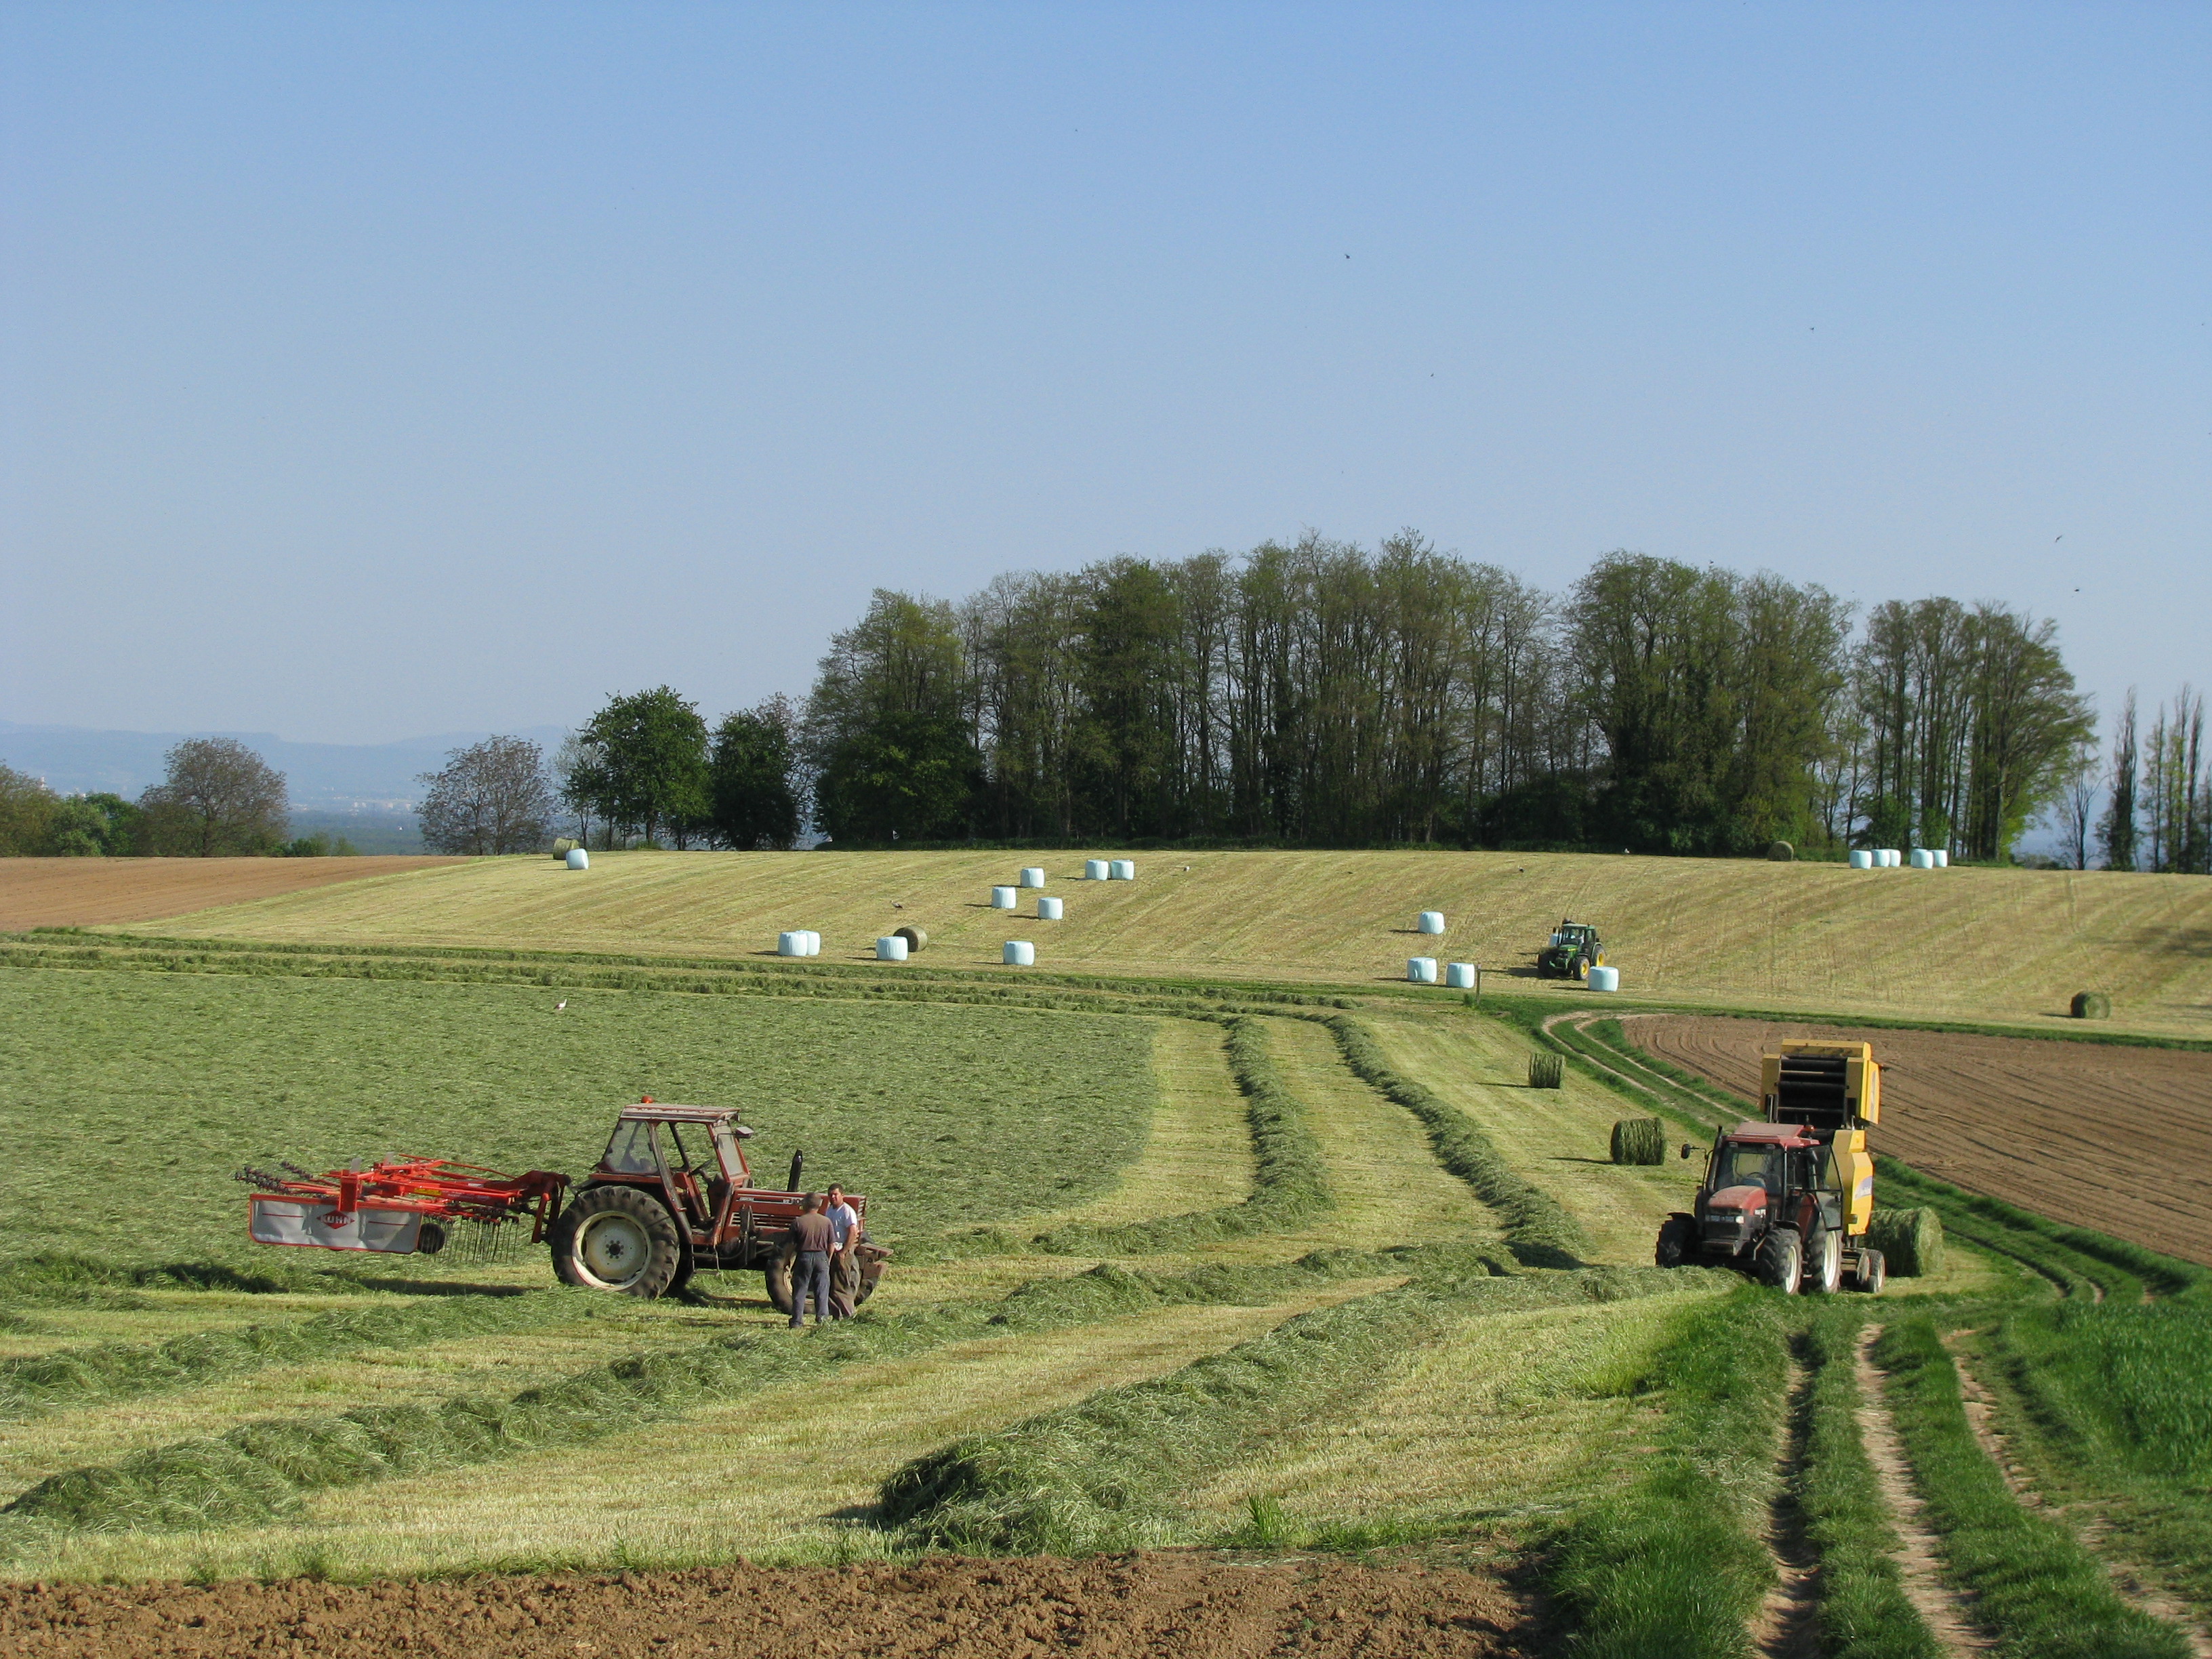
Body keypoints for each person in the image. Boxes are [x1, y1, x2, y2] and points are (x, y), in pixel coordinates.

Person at [785, 1193, 834, 1329]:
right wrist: (828, 1260)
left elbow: (791, 1245)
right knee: (822, 1289)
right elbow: (831, 1245)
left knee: (800, 1289)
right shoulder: (827, 1222)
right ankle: (822, 1319)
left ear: (806, 1205)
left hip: (804, 1257)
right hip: (821, 1257)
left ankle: (797, 1321)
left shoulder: (798, 1222)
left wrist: (788, 1261)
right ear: (819, 1206)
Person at [824, 1184, 861, 1318]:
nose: (833, 1197)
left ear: (842, 1195)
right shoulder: (830, 1211)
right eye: (830, 1195)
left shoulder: (846, 1211)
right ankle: (836, 1315)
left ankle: (849, 1315)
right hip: (832, 1251)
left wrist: (844, 1252)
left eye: (835, 1194)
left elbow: (853, 1231)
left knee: (842, 1286)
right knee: (831, 1287)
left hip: (842, 1252)